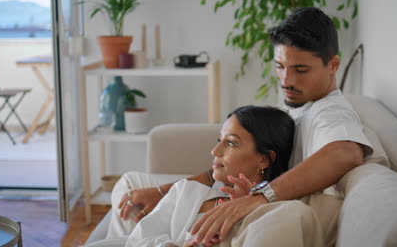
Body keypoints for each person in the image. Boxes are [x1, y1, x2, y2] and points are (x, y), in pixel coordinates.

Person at [117, 7, 374, 247]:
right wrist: (162, 191)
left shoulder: (330, 113)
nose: (286, 80)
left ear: (333, 65)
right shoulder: (302, 103)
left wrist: (259, 198)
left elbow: (345, 153)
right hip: (238, 187)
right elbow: (228, 163)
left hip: (259, 206)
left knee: (129, 194)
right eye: (280, 66)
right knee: (132, 186)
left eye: (300, 69)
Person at [83, 105, 295, 247]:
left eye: (231, 142)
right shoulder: (188, 191)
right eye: (219, 140)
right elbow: (138, 239)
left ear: (264, 160)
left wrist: (245, 218)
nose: (215, 151)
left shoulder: (272, 216)